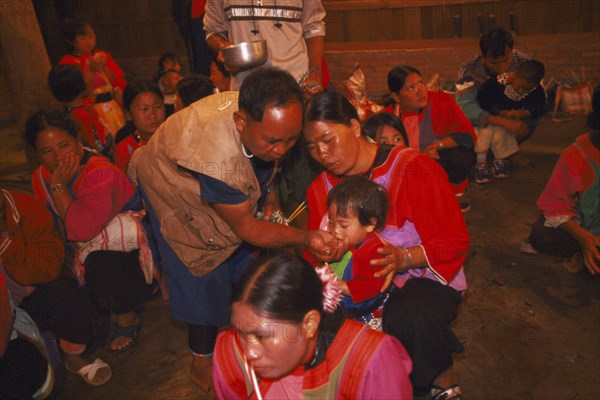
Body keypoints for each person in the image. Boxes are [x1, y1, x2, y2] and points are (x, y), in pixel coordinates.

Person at [133, 67, 342, 395]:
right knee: (202, 267)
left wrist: (269, 194)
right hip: (168, 181)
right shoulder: (220, 165)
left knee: (242, 261)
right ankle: (202, 361)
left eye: (291, 138)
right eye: (273, 141)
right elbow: (249, 229)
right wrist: (305, 236)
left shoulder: (258, 114)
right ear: (241, 123)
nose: (283, 149)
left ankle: (235, 325)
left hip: (211, 170)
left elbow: (266, 167)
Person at [304, 90, 469, 399]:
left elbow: (454, 240)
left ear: (354, 127)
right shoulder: (320, 189)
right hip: (356, 285)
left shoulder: (413, 167)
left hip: (422, 276)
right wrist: (324, 252)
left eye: (328, 140)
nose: (322, 153)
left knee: (408, 313)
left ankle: (439, 379)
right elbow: (314, 253)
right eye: (312, 146)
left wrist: (404, 259)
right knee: (314, 316)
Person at [25, 110, 154, 355]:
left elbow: (82, 229)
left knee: (102, 261)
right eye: (46, 151)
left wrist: (59, 185)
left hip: (126, 258)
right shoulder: (39, 177)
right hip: (80, 254)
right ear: (36, 154)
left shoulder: (99, 172)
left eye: (64, 145)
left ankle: (126, 315)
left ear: (78, 140)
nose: (57, 157)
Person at [213, 251, 413, 399]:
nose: (249, 352)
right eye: (240, 332)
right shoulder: (231, 357)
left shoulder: (368, 361)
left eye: (262, 336)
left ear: (310, 324)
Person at [1, 188, 112, 387]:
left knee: (64, 293)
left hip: (30, 298)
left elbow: (48, 266)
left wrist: (8, 248)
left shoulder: (24, 207)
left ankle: (73, 356)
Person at [523, 86, 600, 275]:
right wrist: (583, 237)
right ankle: (582, 251)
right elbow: (554, 202)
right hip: (589, 230)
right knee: (543, 236)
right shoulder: (577, 155)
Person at [387, 66, 476, 213]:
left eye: (421, 83)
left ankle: (457, 191)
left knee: (460, 154)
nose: (421, 90)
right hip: (408, 171)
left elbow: (466, 135)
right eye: (411, 88)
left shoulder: (441, 101)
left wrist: (437, 145)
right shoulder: (388, 118)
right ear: (396, 97)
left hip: (438, 162)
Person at [204, 0, 326, 93]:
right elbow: (213, 31)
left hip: (296, 81)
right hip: (245, 85)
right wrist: (223, 46)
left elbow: (314, 27)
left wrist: (315, 72)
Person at [322, 176, 395, 327]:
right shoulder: (352, 241)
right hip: (351, 308)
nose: (335, 230)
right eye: (331, 222)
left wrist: (338, 285)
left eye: (343, 225)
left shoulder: (375, 251)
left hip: (371, 313)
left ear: (370, 224)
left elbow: (369, 287)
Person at [456, 27, 533, 144]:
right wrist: (501, 121)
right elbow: (465, 106)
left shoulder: (525, 64)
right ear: (482, 57)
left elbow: (536, 99)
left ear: (512, 52)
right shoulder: (469, 70)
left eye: (506, 60)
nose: (502, 68)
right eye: (494, 63)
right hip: (485, 119)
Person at [475, 59, 547, 183]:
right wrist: (499, 112)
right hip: (490, 119)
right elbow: (483, 100)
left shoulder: (537, 91)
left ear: (534, 86)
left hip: (507, 123)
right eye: (518, 85)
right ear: (514, 75)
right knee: (484, 137)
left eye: (525, 88)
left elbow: (540, 107)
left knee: (501, 136)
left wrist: (522, 113)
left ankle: (499, 160)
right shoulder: (496, 83)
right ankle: (480, 164)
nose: (520, 90)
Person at [59, 15, 126, 136]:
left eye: (91, 36)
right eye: (82, 37)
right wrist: (90, 70)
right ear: (71, 40)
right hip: (90, 109)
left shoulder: (101, 55)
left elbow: (115, 82)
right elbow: (78, 91)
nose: (89, 41)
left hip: (112, 107)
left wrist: (104, 66)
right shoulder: (69, 62)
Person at [47, 63, 112, 159]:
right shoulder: (82, 114)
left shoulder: (67, 113)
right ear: (81, 85)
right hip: (96, 156)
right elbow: (92, 142)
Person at [114, 80, 166, 172]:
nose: (152, 114)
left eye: (157, 107)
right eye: (144, 109)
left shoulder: (175, 138)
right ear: (128, 114)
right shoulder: (125, 148)